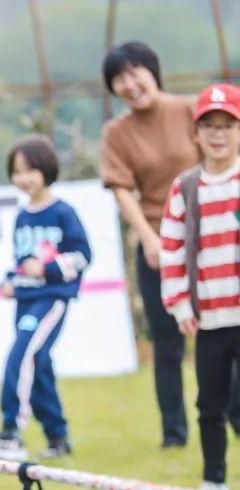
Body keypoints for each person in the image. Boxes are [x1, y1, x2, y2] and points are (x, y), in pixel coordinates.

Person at [99, 41, 240, 447]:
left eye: (135, 72)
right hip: (159, 243)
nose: (130, 84)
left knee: (224, 334)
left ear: (153, 70)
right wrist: (150, 239)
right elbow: (122, 189)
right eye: (119, 79)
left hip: (214, 241)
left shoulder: (189, 111)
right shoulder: (117, 132)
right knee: (167, 343)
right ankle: (174, 433)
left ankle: (231, 415)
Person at [0, 136, 91, 461]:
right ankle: (58, 436)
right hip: (25, 299)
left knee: (22, 356)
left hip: (51, 299)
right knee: (39, 363)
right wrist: (10, 280)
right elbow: (22, 261)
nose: (24, 178)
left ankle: (10, 431)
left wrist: (47, 268)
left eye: (30, 169)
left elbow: (83, 256)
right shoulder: (22, 216)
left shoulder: (63, 212)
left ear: (46, 169)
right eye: (17, 171)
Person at [159, 83, 240, 490]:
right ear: (196, 133)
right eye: (209, 125)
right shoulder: (186, 187)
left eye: (227, 124)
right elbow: (171, 247)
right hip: (209, 318)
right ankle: (213, 484)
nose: (218, 134)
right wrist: (179, 303)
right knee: (210, 404)